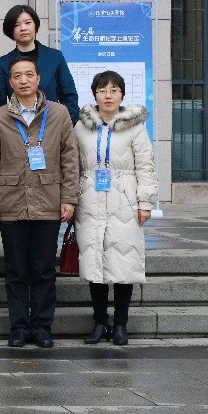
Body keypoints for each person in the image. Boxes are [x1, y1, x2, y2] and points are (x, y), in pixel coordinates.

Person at [0, 56, 80, 348]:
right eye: (17, 76)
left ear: (38, 79)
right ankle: (20, 327)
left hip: (49, 200)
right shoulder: (0, 117)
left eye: (29, 75)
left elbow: (70, 158)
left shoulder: (58, 113)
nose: (23, 80)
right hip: (11, 202)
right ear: (10, 82)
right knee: (16, 270)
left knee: (44, 269)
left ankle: (42, 326)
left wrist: (69, 198)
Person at [75, 72, 156, 346]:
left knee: (124, 262)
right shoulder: (81, 126)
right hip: (90, 200)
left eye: (113, 90)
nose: (108, 95)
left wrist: (145, 202)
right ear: (94, 94)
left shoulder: (135, 127)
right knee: (95, 262)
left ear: (122, 94)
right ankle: (99, 323)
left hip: (125, 201)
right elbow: (73, 164)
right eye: (102, 90)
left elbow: (146, 166)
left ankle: (120, 324)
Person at [0, 5, 80, 124]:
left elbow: (69, 96)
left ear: (35, 25)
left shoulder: (55, 57)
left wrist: (64, 125)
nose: (23, 28)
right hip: (18, 128)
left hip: (52, 125)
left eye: (28, 23)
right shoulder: (3, 63)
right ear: (11, 30)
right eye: (17, 25)